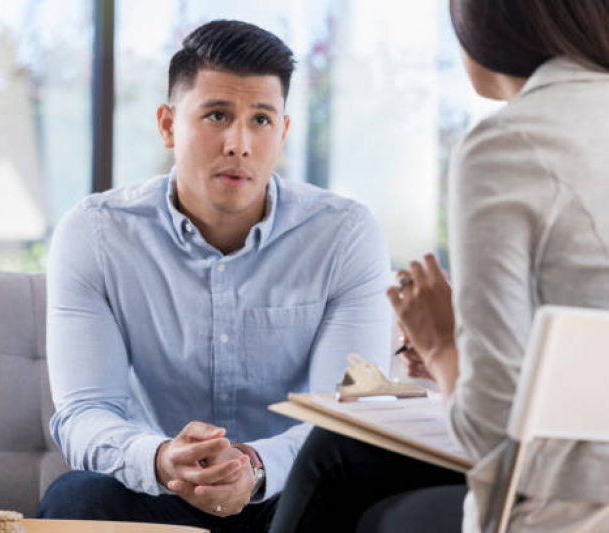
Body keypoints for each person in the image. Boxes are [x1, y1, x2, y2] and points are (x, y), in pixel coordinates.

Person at [37, 20, 393, 533]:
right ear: (167, 125)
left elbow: (347, 421)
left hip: (295, 495)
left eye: (262, 120)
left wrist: (252, 463)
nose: (239, 143)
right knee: (76, 498)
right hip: (162, 489)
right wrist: (161, 458)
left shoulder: (343, 235)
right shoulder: (95, 233)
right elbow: (87, 411)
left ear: (284, 133)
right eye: (217, 115)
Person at [270, 1, 609, 532]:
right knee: (340, 453)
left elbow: (490, 433)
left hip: (566, 509)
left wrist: (442, 344)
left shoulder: (507, 147)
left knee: (355, 487)